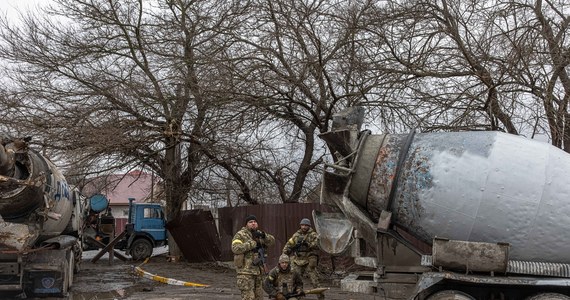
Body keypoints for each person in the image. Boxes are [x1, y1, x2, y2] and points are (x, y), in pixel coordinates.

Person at [232, 215, 275, 300]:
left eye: (255, 222)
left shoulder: (259, 234)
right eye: (250, 222)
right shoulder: (241, 235)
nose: (253, 223)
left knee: (259, 297)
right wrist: (252, 243)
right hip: (246, 272)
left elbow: (272, 242)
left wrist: (264, 235)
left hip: (258, 272)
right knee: (249, 298)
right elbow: (235, 248)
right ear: (246, 224)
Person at [282, 218, 323, 300]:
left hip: (308, 260)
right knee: (295, 280)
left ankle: (321, 297)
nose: (304, 227)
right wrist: (285, 253)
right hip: (298, 260)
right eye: (302, 225)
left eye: (306, 225)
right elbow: (288, 245)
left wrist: (309, 244)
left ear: (309, 226)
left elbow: (318, 244)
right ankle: (297, 296)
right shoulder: (296, 235)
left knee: (315, 281)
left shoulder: (313, 235)